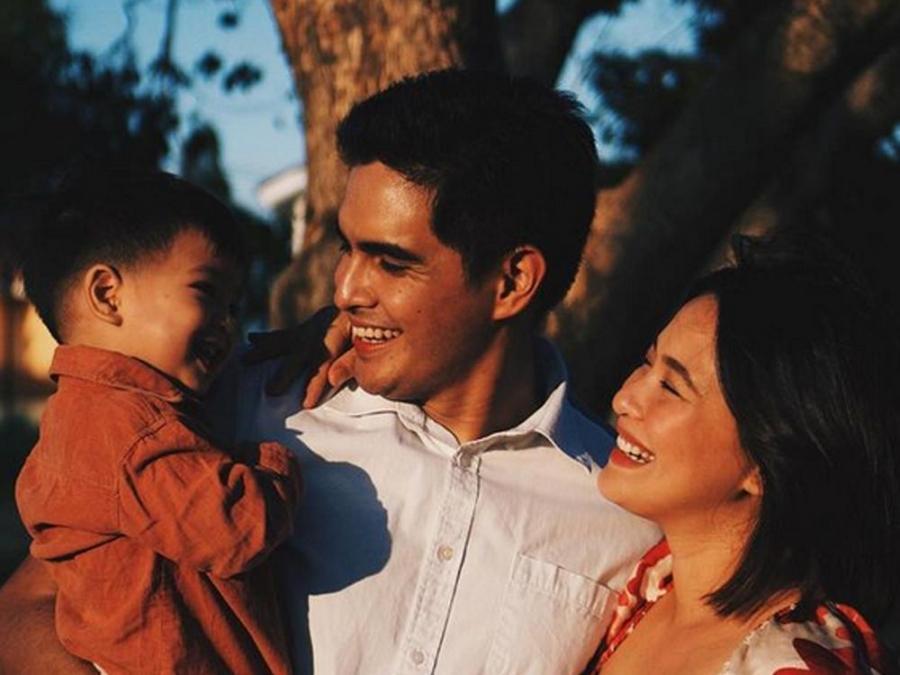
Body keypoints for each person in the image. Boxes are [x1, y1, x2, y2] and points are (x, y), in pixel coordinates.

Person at [0, 69, 660, 674]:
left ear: (512, 281)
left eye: (390, 262)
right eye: (347, 248)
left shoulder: (628, 511)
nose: (344, 289)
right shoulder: (247, 405)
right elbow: (28, 604)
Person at [12, 169, 301, 674]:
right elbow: (234, 529)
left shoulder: (80, 418)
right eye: (206, 291)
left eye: (232, 306)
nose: (227, 324)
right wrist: (276, 466)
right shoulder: (125, 426)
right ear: (108, 294)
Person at [593, 237, 900, 673]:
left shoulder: (794, 664)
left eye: (672, 388)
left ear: (763, 463)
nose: (625, 398)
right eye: (647, 362)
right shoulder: (646, 584)